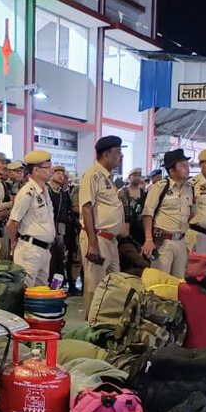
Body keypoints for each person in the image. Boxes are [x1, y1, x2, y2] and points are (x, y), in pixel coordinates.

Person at [79, 135, 126, 315]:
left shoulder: (107, 177)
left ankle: (107, 322)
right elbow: (86, 208)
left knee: (115, 284)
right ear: (107, 154)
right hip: (97, 238)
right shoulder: (92, 175)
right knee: (95, 286)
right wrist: (92, 243)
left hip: (110, 240)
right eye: (118, 152)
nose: (120, 156)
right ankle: (92, 325)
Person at [142, 149, 195, 279]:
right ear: (171, 170)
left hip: (182, 241)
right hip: (164, 242)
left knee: (179, 283)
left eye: (187, 165)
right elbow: (147, 215)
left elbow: (191, 214)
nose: (187, 168)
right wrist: (148, 239)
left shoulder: (190, 189)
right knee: (160, 281)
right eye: (182, 165)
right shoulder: (160, 187)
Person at [7, 151, 56, 288]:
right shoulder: (27, 192)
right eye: (47, 167)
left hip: (44, 250)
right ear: (36, 170)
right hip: (30, 249)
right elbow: (12, 223)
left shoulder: (45, 190)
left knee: (40, 293)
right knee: (25, 291)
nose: (51, 170)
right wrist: (14, 241)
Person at [48, 165, 77, 293]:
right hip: (49, 226)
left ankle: (56, 286)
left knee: (59, 258)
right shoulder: (47, 190)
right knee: (52, 258)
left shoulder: (62, 192)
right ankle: (50, 285)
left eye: (62, 173)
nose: (61, 176)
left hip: (61, 226)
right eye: (58, 173)